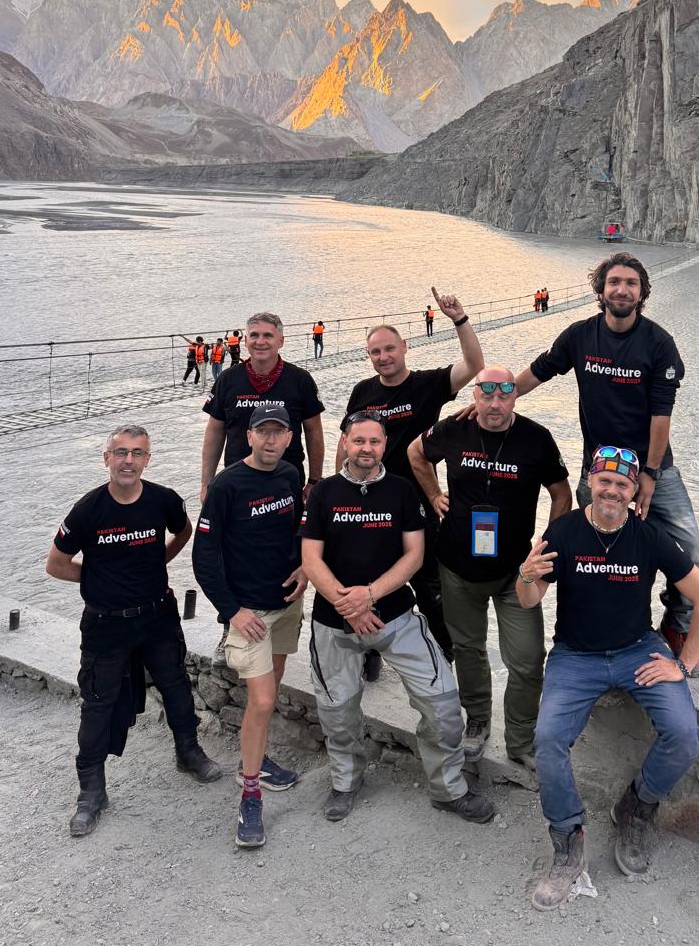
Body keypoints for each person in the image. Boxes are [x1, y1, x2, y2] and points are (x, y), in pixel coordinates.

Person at [516, 445, 699, 910]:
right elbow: (528, 600)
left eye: (622, 484)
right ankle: (568, 839)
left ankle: (638, 804)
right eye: (603, 481)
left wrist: (682, 664)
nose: (611, 490)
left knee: (684, 734)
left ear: (634, 493)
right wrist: (526, 576)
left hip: (637, 650)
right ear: (590, 481)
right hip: (575, 656)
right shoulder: (563, 532)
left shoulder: (649, 537)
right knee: (547, 739)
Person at [511, 252, 699, 674]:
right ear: (600, 290)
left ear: (642, 293)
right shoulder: (580, 337)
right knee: (588, 555)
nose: (622, 289)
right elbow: (538, 372)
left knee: (690, 548)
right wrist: (497, 398)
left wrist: (650, 475)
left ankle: (675, 626)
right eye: (614, 281)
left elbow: (661, 414)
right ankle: (589, 642)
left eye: (631, 283)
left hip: (654, 469)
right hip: (597, 471)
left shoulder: (658, 343)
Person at [302, 412, 494, 825]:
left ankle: (448, 788)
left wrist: (370, 595)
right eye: (358, 441)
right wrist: (348, 605)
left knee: (443, 701)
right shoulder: (324, 493)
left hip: (396, 616)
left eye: (374, 441)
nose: (366, 449)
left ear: (383, 445)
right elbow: (310, 559)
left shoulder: (403, 492)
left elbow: (415, 556)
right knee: (337, 710)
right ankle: (346, 780)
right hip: (334, 622)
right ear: (345, 443)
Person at [46, 424, 222, 839]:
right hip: (106, 623)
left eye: (137, 453)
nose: (129, 460)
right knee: (98, 703)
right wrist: (99, 579)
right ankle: (91, 790)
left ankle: (188, 752)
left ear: (148, 459)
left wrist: (156, 561)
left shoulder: (163, 500)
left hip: (158, 615)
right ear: (106, 458)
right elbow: (55, 565)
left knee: (176, 686)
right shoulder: (87, 511)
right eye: (120, 452)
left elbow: (185, 531)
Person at [408, 367, 571, 767]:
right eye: (486, 395)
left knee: (529, 659)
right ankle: (477, 721)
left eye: (503, 395)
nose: (494, 404)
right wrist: (433, 494)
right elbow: (415, 453)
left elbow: (562, 495)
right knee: (467, 648)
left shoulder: (536, 438)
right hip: (458, 566)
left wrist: (544, 549)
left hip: (516, 573)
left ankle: (520, 739)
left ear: (515, 396)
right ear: (475, 396)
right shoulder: (454, 428)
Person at [338, 287, 483, 676]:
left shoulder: (427, 385)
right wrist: (335, 486)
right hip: (367, 501)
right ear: (369, 357)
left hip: (417, 501)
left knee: (428, 585)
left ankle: (445, 656)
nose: (383, 357)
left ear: (404, 347)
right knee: (367, 577)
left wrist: (459, 319)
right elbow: (347, 442)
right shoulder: (362, 392)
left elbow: (473, 365)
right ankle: (370, 648)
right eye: (375, 352)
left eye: (389, 349)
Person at [192, 406, 308, 848]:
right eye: (263, 432)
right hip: (250, 614)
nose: (271, 440)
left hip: (287, 603)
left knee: (272, 691)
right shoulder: (227, 486)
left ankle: (255, 762)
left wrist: (303, 566)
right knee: (260, 701)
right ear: (249, 437)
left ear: (289, 438)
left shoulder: (291, 475)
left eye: (279, 432)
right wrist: (232, 611)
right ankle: (251, 793)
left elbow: (299, 524)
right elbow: (204, 557)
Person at [201, 311, 325, 664]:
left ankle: (284, 619)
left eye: (267, 335)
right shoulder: (229, 379)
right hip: (236, 485)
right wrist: (207, 482)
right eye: (253, 335)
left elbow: (314, 432)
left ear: (280, 341)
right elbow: (215, 432)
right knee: (230, 553)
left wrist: (314, 480)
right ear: (244, 340)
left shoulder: (299, 380)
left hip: (287, 480)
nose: (260, 341)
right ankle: (230, 624)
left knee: (282, 549)